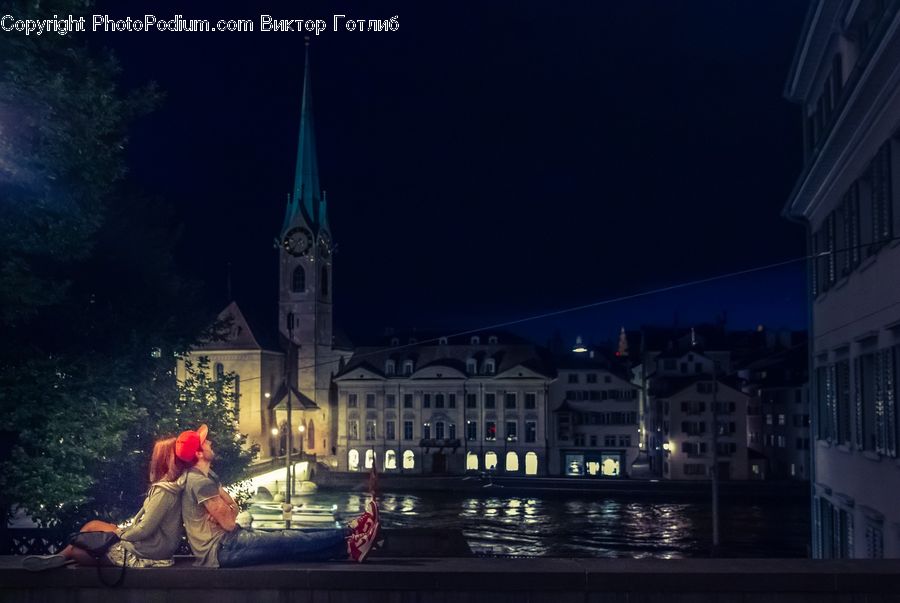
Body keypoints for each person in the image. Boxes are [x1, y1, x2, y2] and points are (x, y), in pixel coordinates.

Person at [177, 424, 379, 567]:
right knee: (287, 540)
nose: (210, 442)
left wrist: (228, 508)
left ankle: (350, 545)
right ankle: (350, 533)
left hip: (229, 543)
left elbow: (231, 511)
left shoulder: (206, 477)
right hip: (221, 550)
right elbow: (230, 521)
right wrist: (229, 507)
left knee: (290, 542)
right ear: (198, 454)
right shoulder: (201, 482)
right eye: (205, 442)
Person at [23, 436, 188, 571]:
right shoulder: (174, 487)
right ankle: (62, 557)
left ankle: (61, 557)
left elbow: (145, 529)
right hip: (155, 546)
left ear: (161, 460)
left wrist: (120, 534)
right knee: (93, 525)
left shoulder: (164, 492)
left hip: (149, 549)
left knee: (78, 551)